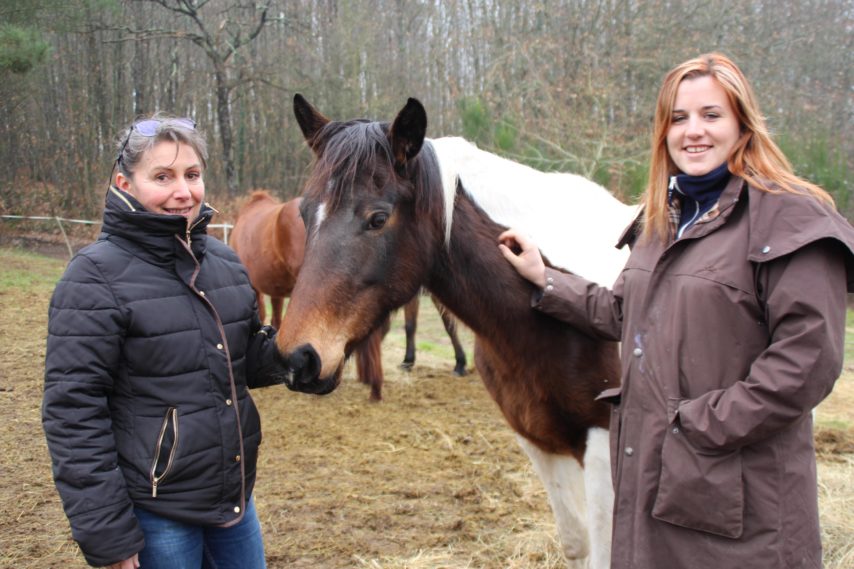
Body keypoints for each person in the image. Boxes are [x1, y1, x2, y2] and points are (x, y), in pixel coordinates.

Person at [498, 53, 854, 569]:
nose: (694, 132)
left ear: (742, 124)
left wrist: (697, 426)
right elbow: (624, 312)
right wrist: (546, 277)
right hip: (653, 476)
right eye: (678, 118)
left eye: (711, 115)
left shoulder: (791, 216)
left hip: (740, 497)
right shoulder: (664, 219)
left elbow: (807, 361)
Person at [43, 115, 292, 569]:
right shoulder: (93, 277)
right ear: (125, 182)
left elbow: (244, 358)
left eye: (192, 175)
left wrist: (300, 354)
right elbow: (73, 413)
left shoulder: (223, 261)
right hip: (157, 513)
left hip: (234, 501)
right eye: (163, 177)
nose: (184, 191)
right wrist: (109, 535)